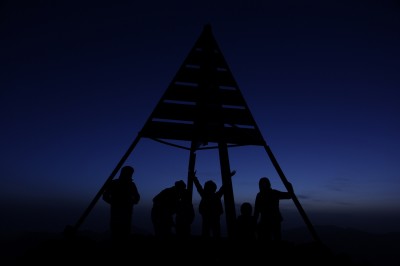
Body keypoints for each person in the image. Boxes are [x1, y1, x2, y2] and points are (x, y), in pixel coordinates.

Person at [192, 170, 236, 238]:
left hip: (209, 217)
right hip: (213, 217)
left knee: (209, 232)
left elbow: (199, 187)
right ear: (214, 189)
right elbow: (223, 187)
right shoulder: (215, 196)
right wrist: (229, 177)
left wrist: (194, 178)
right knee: (214, 232)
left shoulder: (206, 195)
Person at [102, 166, 140, 241]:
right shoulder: (114, 183)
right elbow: (105, 196)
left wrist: (130, 202)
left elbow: (137, 198)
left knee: (124, 232)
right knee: (117, 232)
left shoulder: (130, 185)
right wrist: (115, 203)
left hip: (125, 213)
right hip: (118, 213)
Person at [253, 177, 293, 242]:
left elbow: (289, 195)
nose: (263, 186)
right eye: (262, 184)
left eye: (264, 184)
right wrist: (254, 222)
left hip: (273, 220)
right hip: (267, 221)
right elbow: (256, 211)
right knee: (268, 238)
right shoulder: (260, 195)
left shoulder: (273, 193)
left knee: (274, 238)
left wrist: (289, 186)